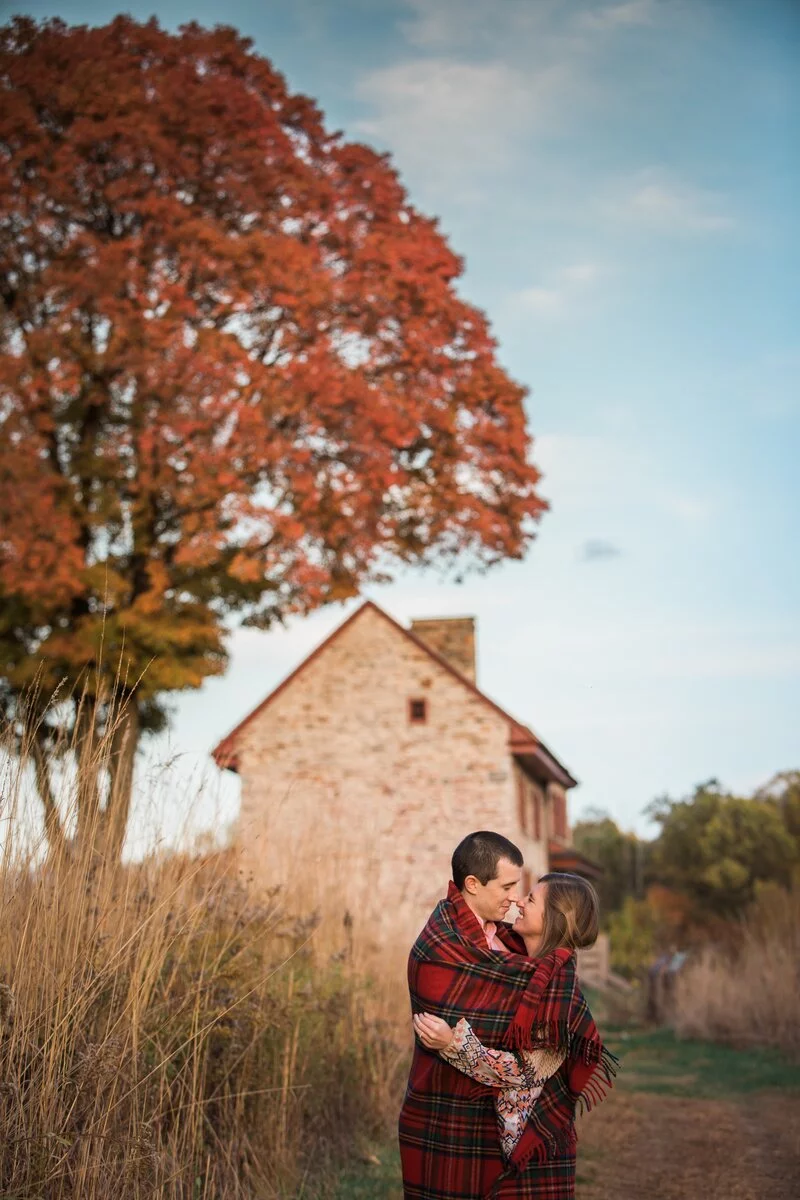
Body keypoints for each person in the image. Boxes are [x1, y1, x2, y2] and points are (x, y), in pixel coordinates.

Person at [399, 832, 617, 1200]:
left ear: (553, 918)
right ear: (473, 884)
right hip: (451, 1121)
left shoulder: (555, 983)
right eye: (511, 887)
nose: (517, 898)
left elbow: (529, 1069)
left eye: (528, 896)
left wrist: (455, 1044)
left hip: (530, 1140)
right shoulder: (489, 950)